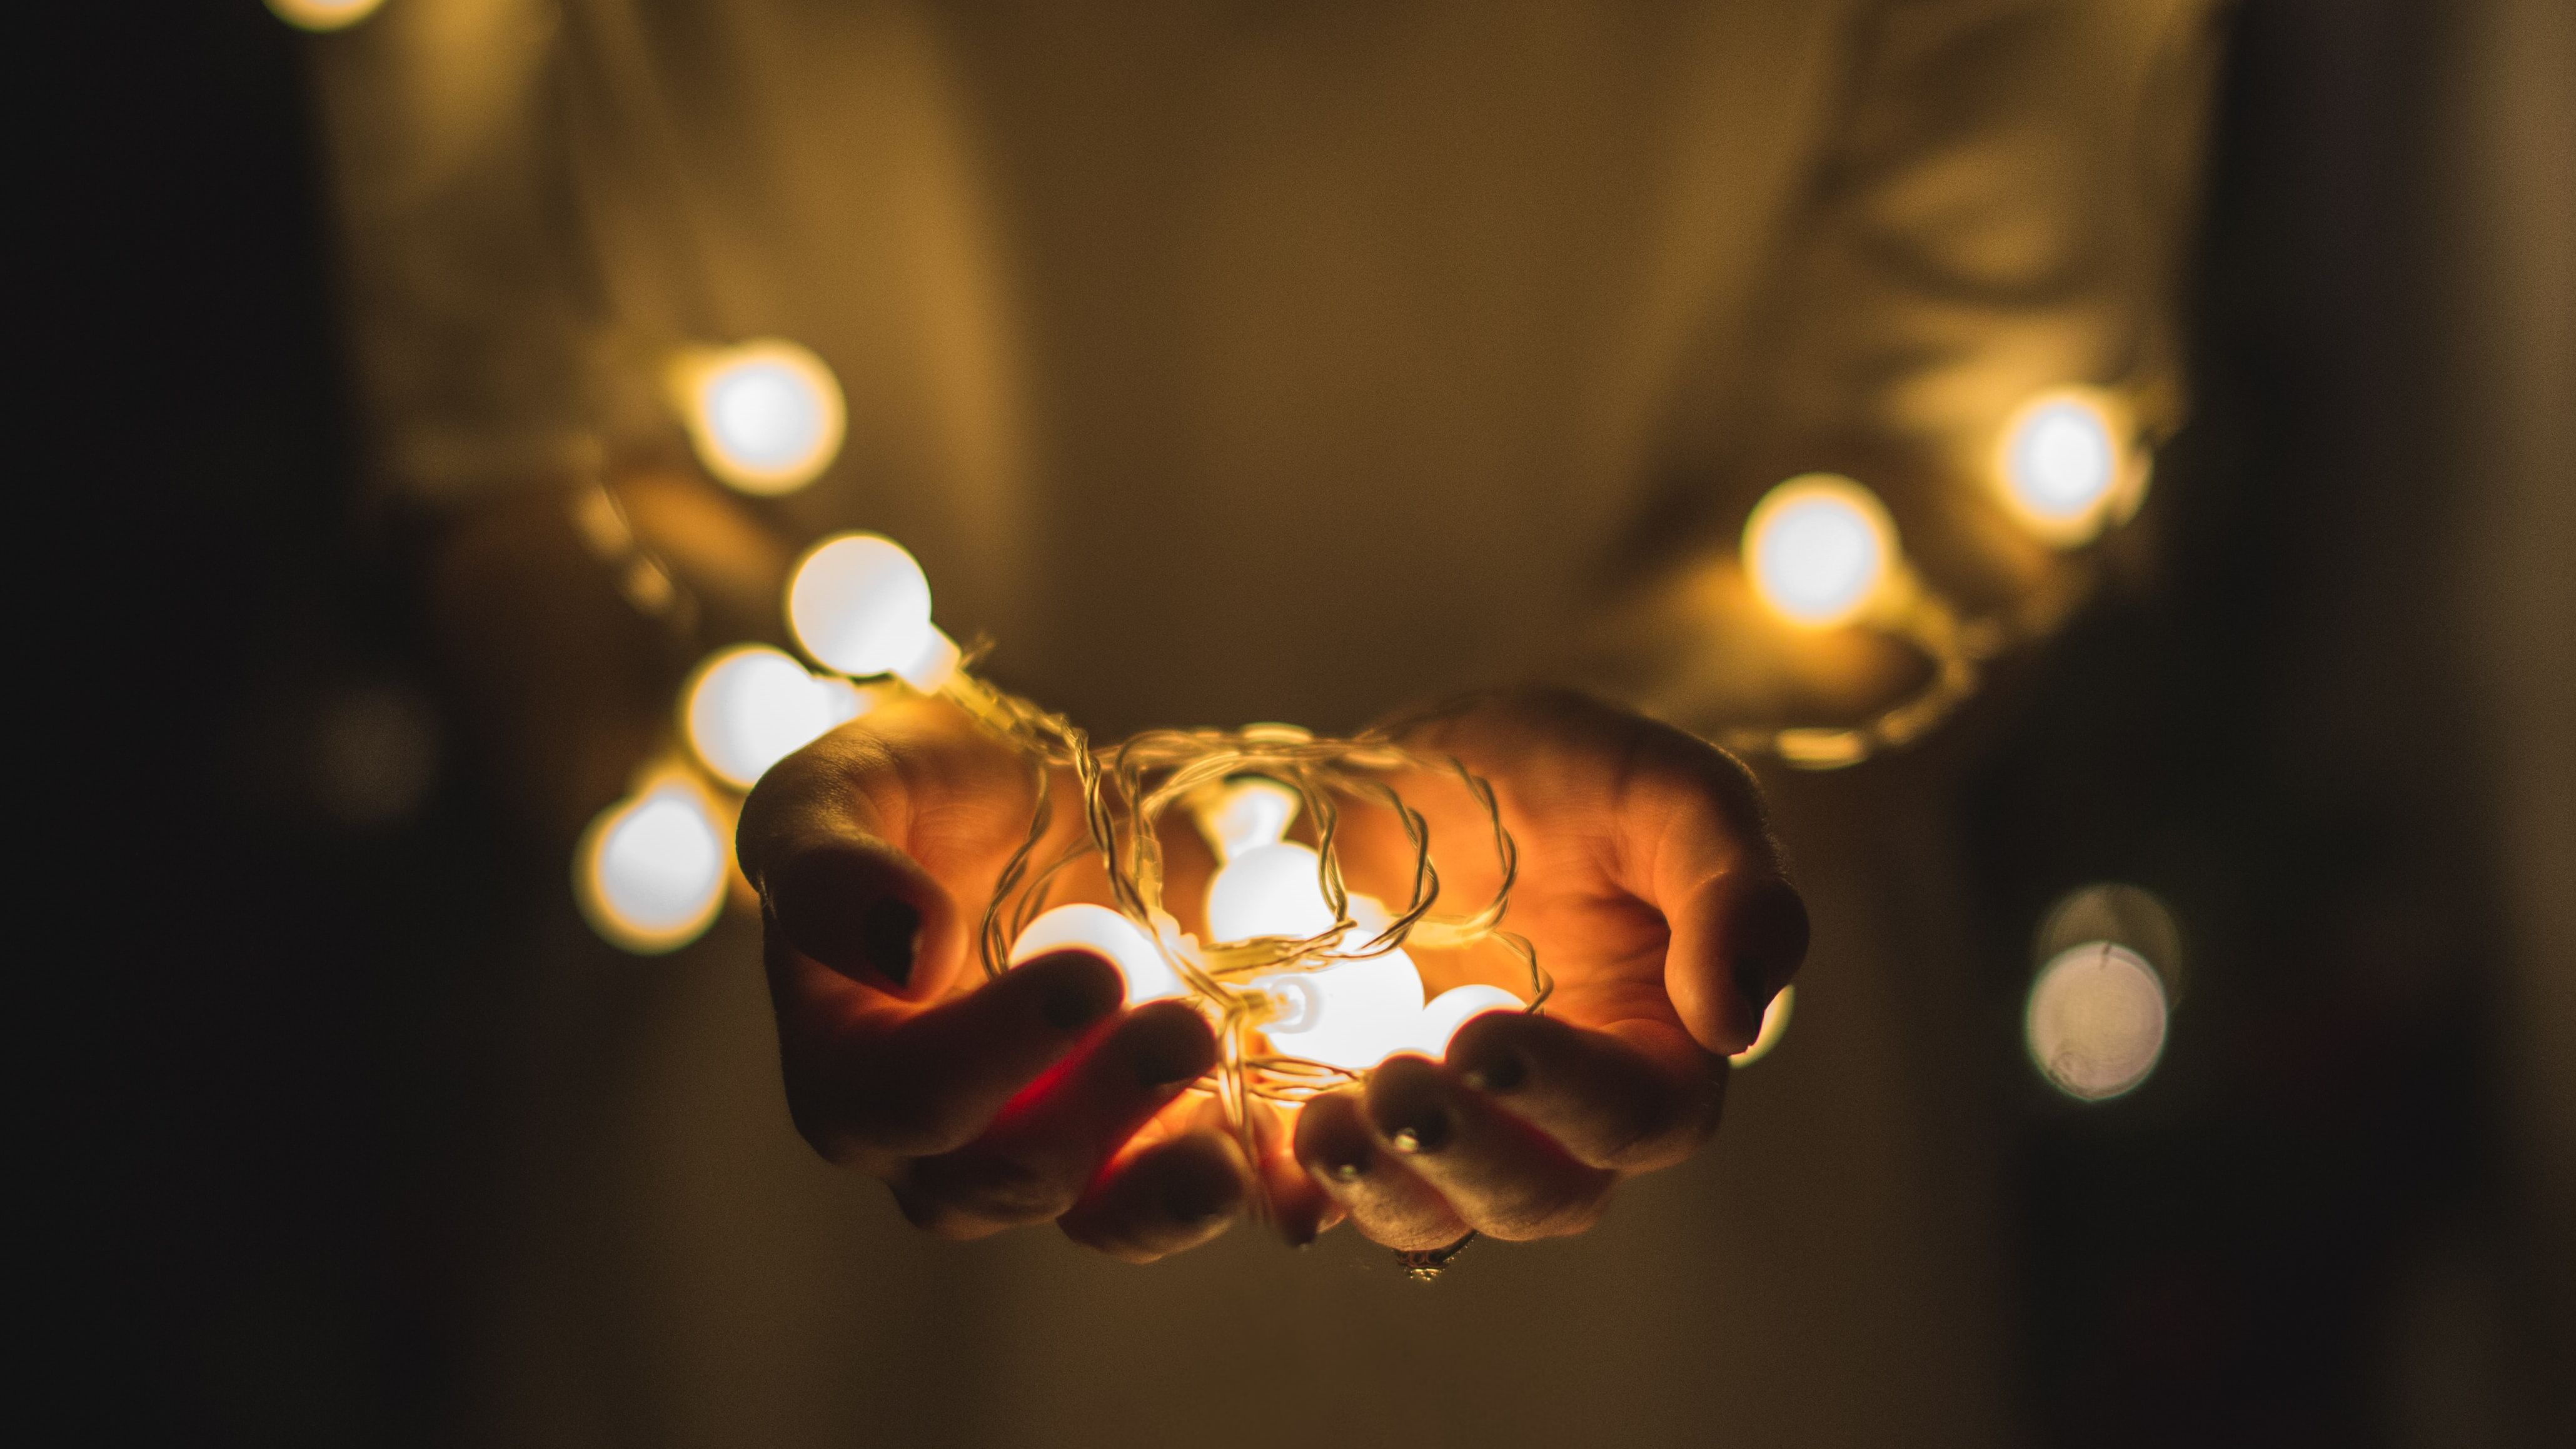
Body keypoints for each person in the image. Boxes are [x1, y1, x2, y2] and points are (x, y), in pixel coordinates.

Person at [309, 1, 2221, 1442]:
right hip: (800, 1266)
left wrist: (1686, 777)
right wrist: (764, 760)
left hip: (1680, 1244)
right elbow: (510, 432)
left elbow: (1973, 424)